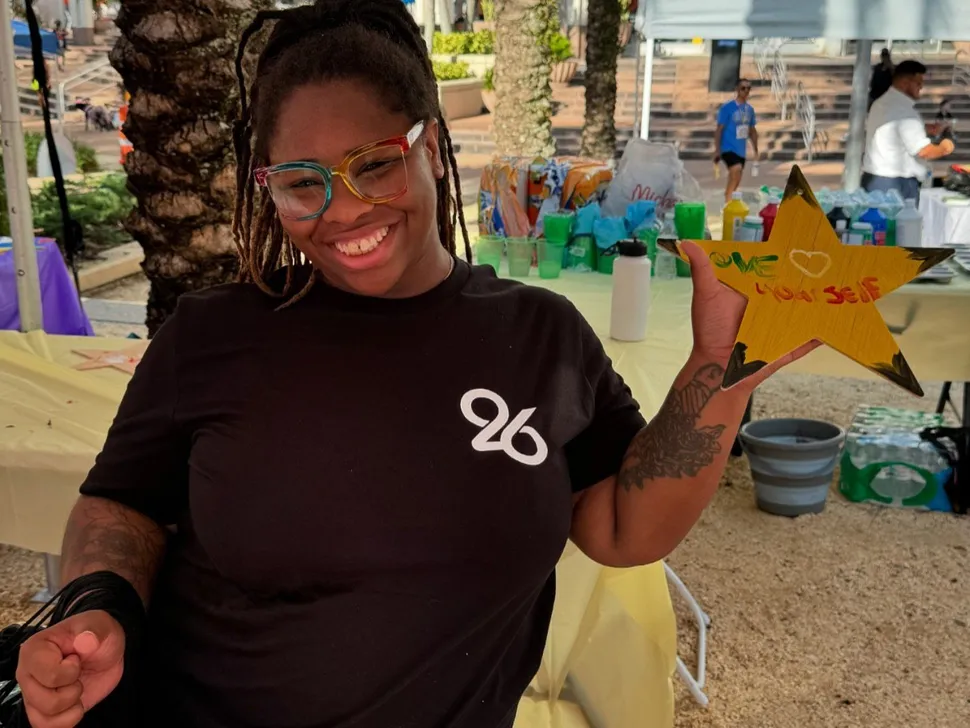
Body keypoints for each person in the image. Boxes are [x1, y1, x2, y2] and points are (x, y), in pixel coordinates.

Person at [13, 2, 815, 727]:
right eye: (303, 184)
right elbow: (119, 505)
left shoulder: (541, 336)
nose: (346, 210)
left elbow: (624, 528)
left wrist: (722, 364)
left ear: (431, 148)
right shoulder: (212, 336)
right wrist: (98, 604)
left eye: (374, 164)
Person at [862, 60, 956, 203]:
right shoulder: (904, 112)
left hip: (874, 179)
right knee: (902, 224)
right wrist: (945, 147)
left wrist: (924, 128)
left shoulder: (882, 102)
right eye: (918, 83)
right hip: (896, 184)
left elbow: (891, 127)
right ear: (905, 82)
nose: (921, 87)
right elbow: (924, 151)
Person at [714, 78, 759, 203]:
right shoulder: (727, 108)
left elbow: (752, 130)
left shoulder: (749, 110)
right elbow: (719, 129)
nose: (746, 91)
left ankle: (729, 197)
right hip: (727, 147)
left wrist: (755, 148)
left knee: (737, 178)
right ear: (737, 90)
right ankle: (728, 203)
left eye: (748, 88)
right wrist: (717, 149)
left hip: (740, 149)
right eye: (743, 88)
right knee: (736, 170)